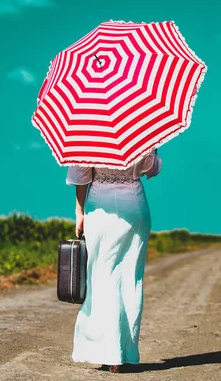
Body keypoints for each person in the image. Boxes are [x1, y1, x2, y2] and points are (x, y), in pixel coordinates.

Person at [65, 147, 162, 373]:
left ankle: (110, 351)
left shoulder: (90, 130)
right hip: (134, 205)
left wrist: (79, 211)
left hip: (101, 205)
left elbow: (81, 172)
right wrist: (153, 149)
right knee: (131, 278)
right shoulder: (141, 129)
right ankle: (125, 353)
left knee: (102, 275)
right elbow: (152, 169)